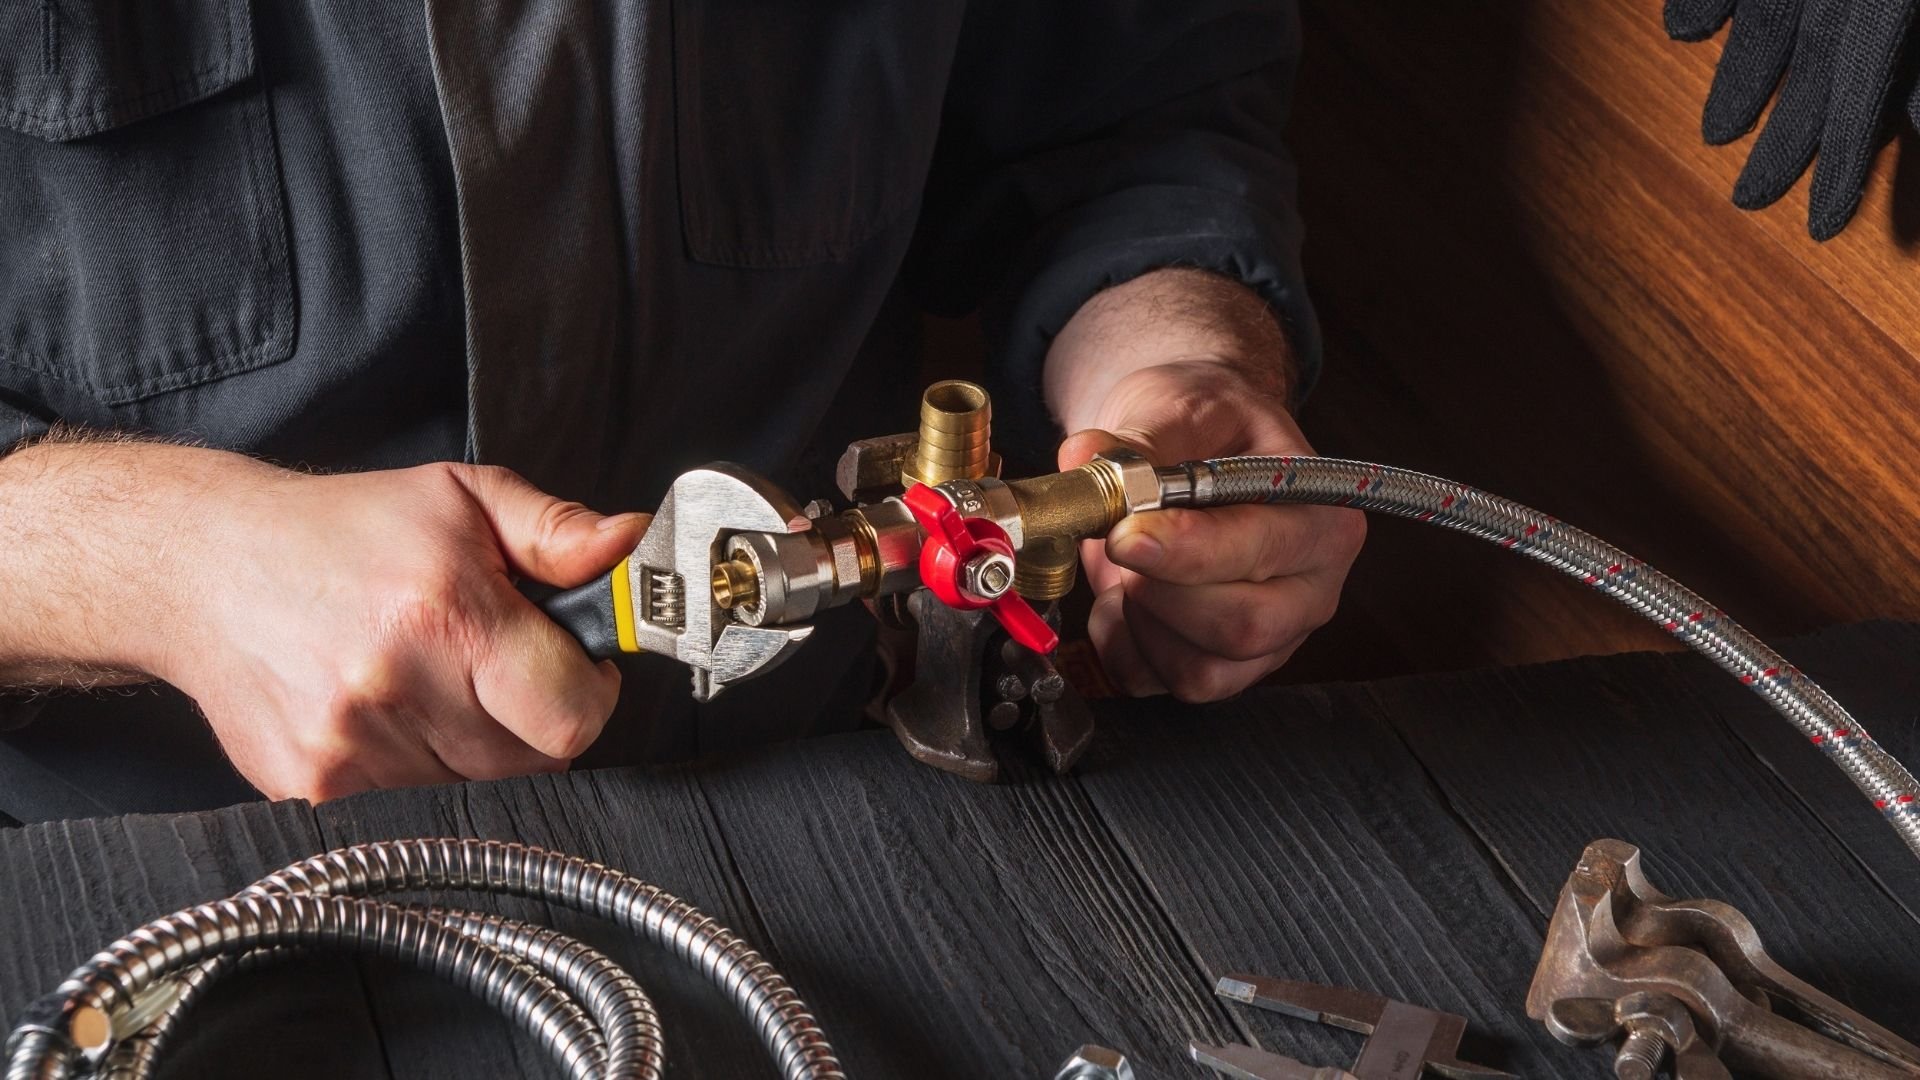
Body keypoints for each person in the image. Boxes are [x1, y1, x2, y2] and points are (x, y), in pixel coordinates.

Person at [0, 2, 1364, 821]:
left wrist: (1179, 363)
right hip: (148, 861)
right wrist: (174, 566)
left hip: (832, 792)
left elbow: (1132, 123)